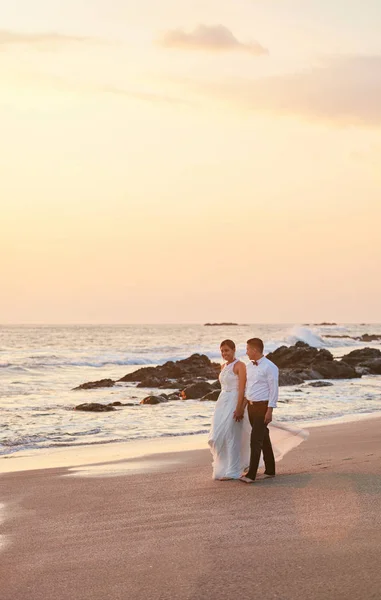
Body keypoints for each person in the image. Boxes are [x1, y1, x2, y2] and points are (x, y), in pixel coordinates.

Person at [238, 337, 279, 484]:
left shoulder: (270, 367)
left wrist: (270, 410)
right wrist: (243, 407)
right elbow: (247, 388)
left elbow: (274, 390)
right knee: (264, 438)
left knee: (255, 440)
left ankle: (251, 474)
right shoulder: (249, 366)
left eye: (248, 349)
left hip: (263, 407)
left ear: (255, 350)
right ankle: (270, 470)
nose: (246, 352)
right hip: (251, 407)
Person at [208, 340, 250, 480]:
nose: (224, 353)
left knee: (232, 435)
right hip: (222, 402)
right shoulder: (223, 366)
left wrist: (239, 408)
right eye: (222, 351)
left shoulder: (240, 365)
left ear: (234, 350)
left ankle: (233, 471)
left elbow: (242, 389)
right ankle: (225, 466)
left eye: (227, 350)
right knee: (217, 437)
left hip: (234, 401)